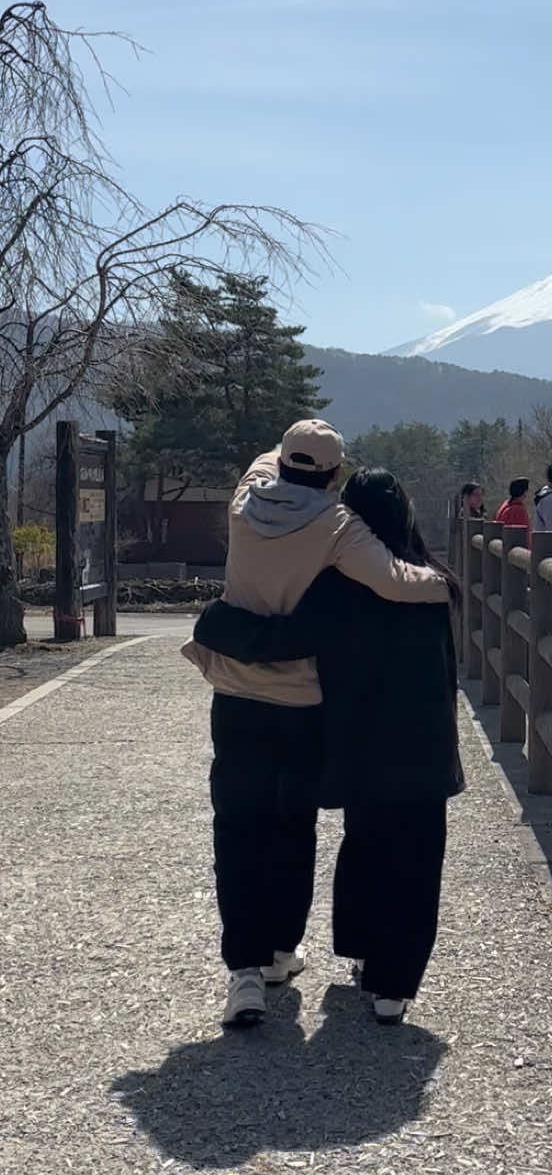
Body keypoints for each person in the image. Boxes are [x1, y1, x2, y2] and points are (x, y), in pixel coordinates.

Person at [183, 420, 450, 1029]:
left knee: (239, 828)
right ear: (335, 475)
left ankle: (245, 972)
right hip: (303, 698)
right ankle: (281, 950)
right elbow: (398, 582)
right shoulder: (337, 528)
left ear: (280, 462)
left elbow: (266, 459)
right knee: (291, 828)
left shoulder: (246, 498)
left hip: (235, 691)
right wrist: (447, 587)